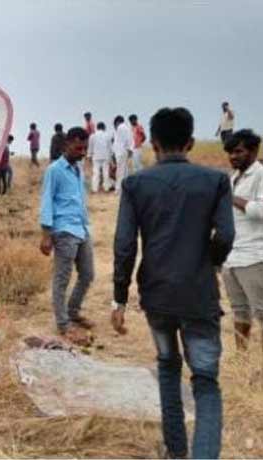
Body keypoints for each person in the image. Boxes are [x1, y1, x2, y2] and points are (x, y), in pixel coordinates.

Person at [113, 107, 234, 459]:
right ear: (191, 142)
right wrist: (208, 262)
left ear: (153, 143)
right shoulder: (215, 182)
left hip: (158, 296)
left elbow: (124, 247)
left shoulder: (135, 184)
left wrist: (118, 299)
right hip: (199, 296)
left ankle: (176, 452)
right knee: (206, 383)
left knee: (168, 369)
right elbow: (225, 234)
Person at [40, 127, 95, 337]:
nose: (82, 152)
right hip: (63, 231)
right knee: (62, 280)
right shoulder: (54, 170)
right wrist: (46, 235)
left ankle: (73, 311)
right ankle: (63, 325)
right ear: (67, 145)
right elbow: (46, 202)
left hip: (81, 229)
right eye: (79, 148)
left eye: (85, 148)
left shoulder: (78, 169)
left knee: (88, 274)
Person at [221, 129, 263, 352]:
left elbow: (260, 211)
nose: (233, 157)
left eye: (238, 151)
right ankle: (242, 359)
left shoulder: (260, 175)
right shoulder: (233, 177)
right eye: (230, 153)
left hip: (254, 257)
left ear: (254, 150)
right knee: (239, 311)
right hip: (232, 256)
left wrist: (231, 197)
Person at [87, 122, 113, 193]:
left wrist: (89, 156)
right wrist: (111, 158)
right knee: (106, 172)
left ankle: (95, 189)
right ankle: (106, 188)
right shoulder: (107, 136)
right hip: (105, 156)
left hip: (96, 156)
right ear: (104, 127)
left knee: (96, 173)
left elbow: (90, 147)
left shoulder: (92, 136)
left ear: (97, 127)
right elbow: (110, 148)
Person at [112, 115, 133, 194]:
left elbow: (117, 142)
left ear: (117, 122)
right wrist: (130, 150)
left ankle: (118, 189)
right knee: (124, 171)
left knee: (120, 172)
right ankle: (124, 188)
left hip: (120, 152)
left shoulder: (120, 128)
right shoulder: (126, 128)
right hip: (124, 152)